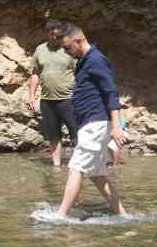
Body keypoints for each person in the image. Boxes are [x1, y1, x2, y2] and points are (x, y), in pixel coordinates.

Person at [56, 24, 129, 218]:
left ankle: (60, 216)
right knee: (97, 175)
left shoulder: (96, 60)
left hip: (96, 123)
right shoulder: (84, 60)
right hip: (90, 123)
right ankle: (123, 215)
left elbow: (111, 93)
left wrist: (116, 127)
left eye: (68, 47)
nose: (66, 52)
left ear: (79, 41)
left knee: (75, 168)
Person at [27, 19, 79, 167]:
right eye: (52, 35)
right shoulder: (40, 50)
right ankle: (56, 166)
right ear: (47, 34)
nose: (55, 38)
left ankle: (80, 164)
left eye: (58, 35)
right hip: (47, 100)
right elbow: (35, 74)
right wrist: (31, 95)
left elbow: (80, 72)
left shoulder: (69, 48)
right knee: (53, 135)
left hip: (69, 99)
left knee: (76, 132)